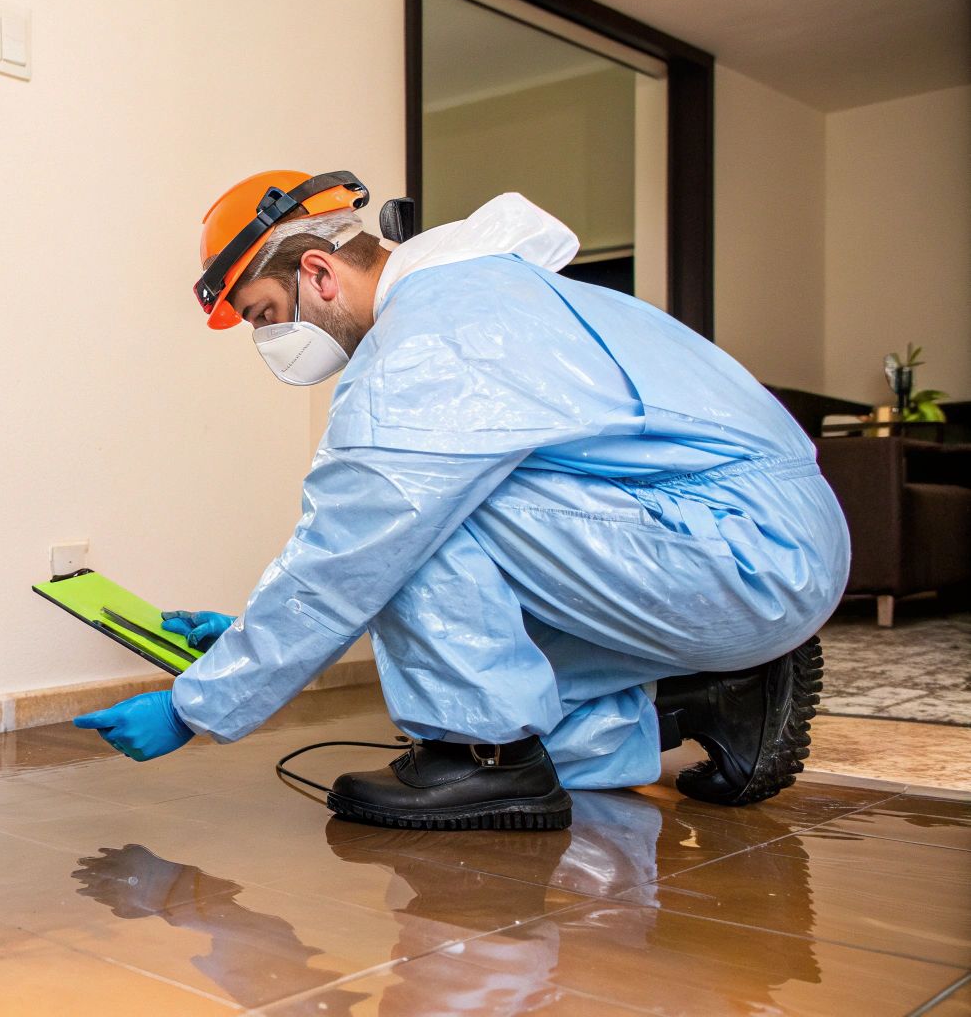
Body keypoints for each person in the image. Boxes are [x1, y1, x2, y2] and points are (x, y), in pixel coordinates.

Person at [74, 170, 848, 831]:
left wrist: (194, 707)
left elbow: (349, 551)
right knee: (495, 669)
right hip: (745, 541)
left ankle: (486, 760)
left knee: (414, 519)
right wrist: (250, 634)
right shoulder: (475, 293)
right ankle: (708, 696)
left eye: (266, 315)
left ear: (317, 273)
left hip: (742, 550)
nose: (270, 341)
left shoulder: (430, 344)